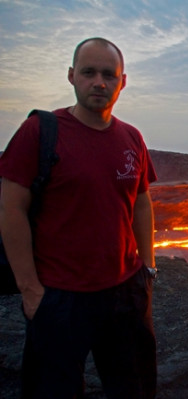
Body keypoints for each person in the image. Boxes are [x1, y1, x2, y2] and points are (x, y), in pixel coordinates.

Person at [0, 37, 157, 398]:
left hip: (125, 293)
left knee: (134, 388)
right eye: (89, 73)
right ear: (72, 76)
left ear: (122, 81)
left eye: (109, 74)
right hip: (59, 297)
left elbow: (142, 201)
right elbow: (11, 210)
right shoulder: (39, 132)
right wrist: (30, 289)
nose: (99, 82)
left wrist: (147, 270)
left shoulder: (131, 137)